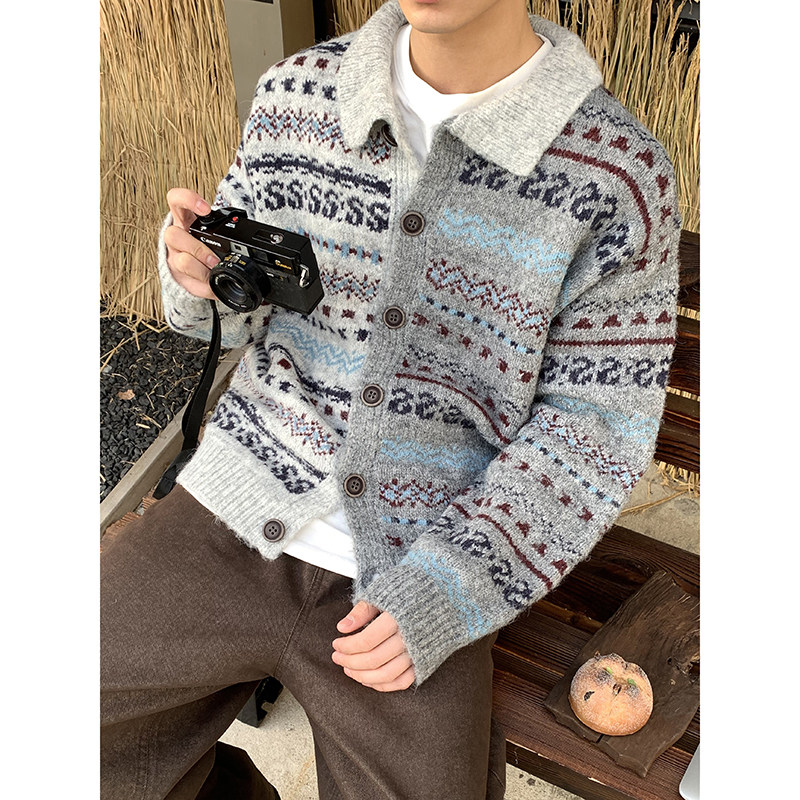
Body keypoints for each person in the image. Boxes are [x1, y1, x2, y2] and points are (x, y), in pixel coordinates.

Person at [101, 1, 681, 798]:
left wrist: (451, 587)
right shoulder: (300, 94)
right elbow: (233, 312)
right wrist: (198, 278)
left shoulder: (616, 174)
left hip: (426, 560)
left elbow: (595, 431)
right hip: (236, 500)